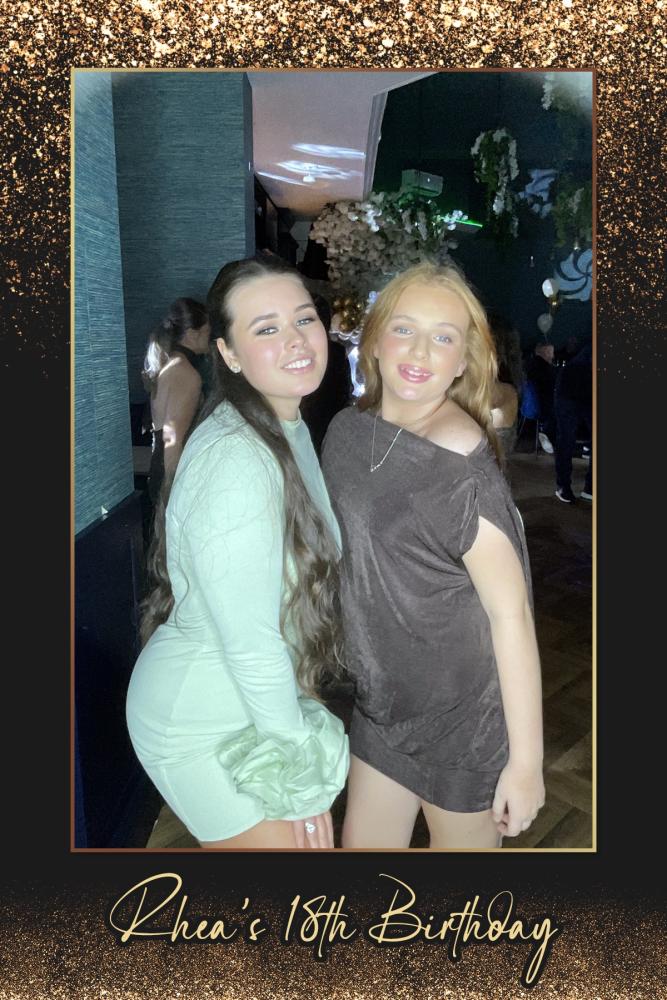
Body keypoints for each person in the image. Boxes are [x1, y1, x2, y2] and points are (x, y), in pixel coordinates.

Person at [127, 257, 349, 849]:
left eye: (304, 319)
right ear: (227, 353)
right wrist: (304, 776)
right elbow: (252, 645)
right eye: (266, 328)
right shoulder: (237, 459)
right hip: (200, 723)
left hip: (251, 704)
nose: (296, 340)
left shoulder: (285, 426)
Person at [322, 261, 544, 849]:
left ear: (463, 359)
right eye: (404, 328)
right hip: (381, 707)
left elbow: (510, 615)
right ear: (374, 339)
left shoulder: (463, 471)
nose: (421, 350)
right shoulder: (346, 433)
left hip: (462, 725)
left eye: (443, 337)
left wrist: (526, 764)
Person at [141, 298, 211, 506]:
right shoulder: (185, 373)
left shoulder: (169, 365)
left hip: (160, 468)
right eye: (208, 331)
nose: (210, 338)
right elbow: (173, 440)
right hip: (170, 474)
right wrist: (176, 492)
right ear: (192, 334)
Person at [553, 342, 593, 503]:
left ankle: (566, 487)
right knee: (566, 440)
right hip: (572, 389)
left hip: (571, 387)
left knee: (566, 440)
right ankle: (585, 488)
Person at [525, 342, 557, 454]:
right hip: (541, 407)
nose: (552, 356)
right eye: (550, 353)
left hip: (528, 406)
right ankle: (549, 435)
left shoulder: (530, 365)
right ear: (545, 352)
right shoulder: (546, 368)